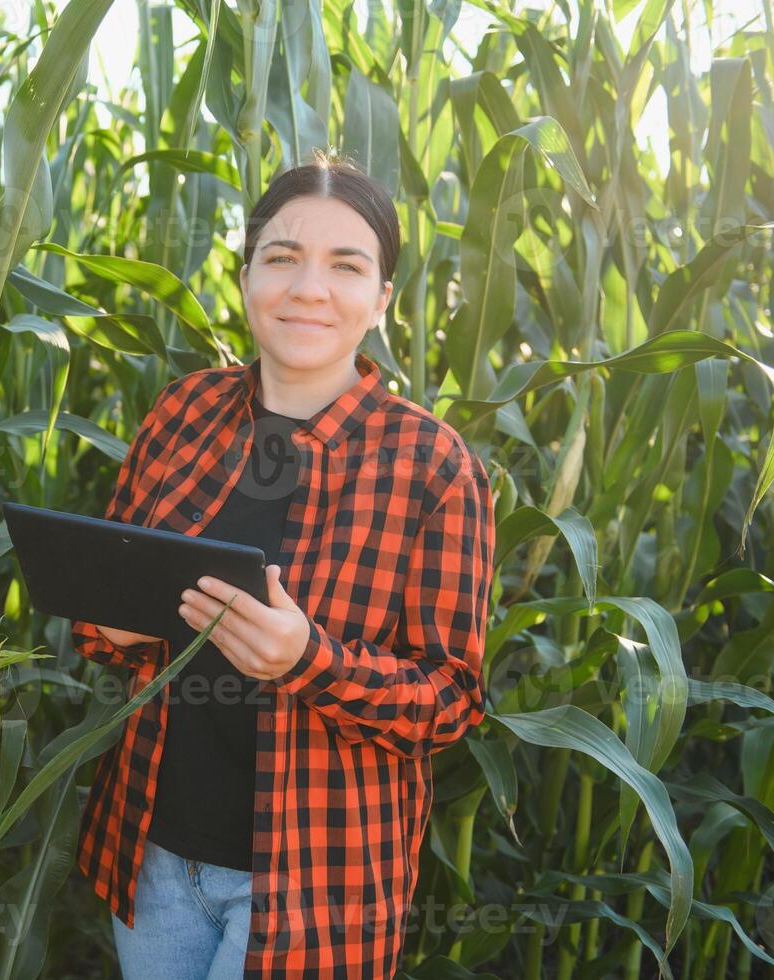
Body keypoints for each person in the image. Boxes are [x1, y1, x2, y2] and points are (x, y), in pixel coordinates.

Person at [71, 148, 497, 979]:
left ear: (380, 301)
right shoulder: (183, 412)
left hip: (314, 886)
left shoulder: (432, 467)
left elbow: (451, 703)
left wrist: (309, 661)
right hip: (154, 853)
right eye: (282, 258)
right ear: (244, 280)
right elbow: (107, 612)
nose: (308, 287)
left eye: (345, 266)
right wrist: (111, 619)